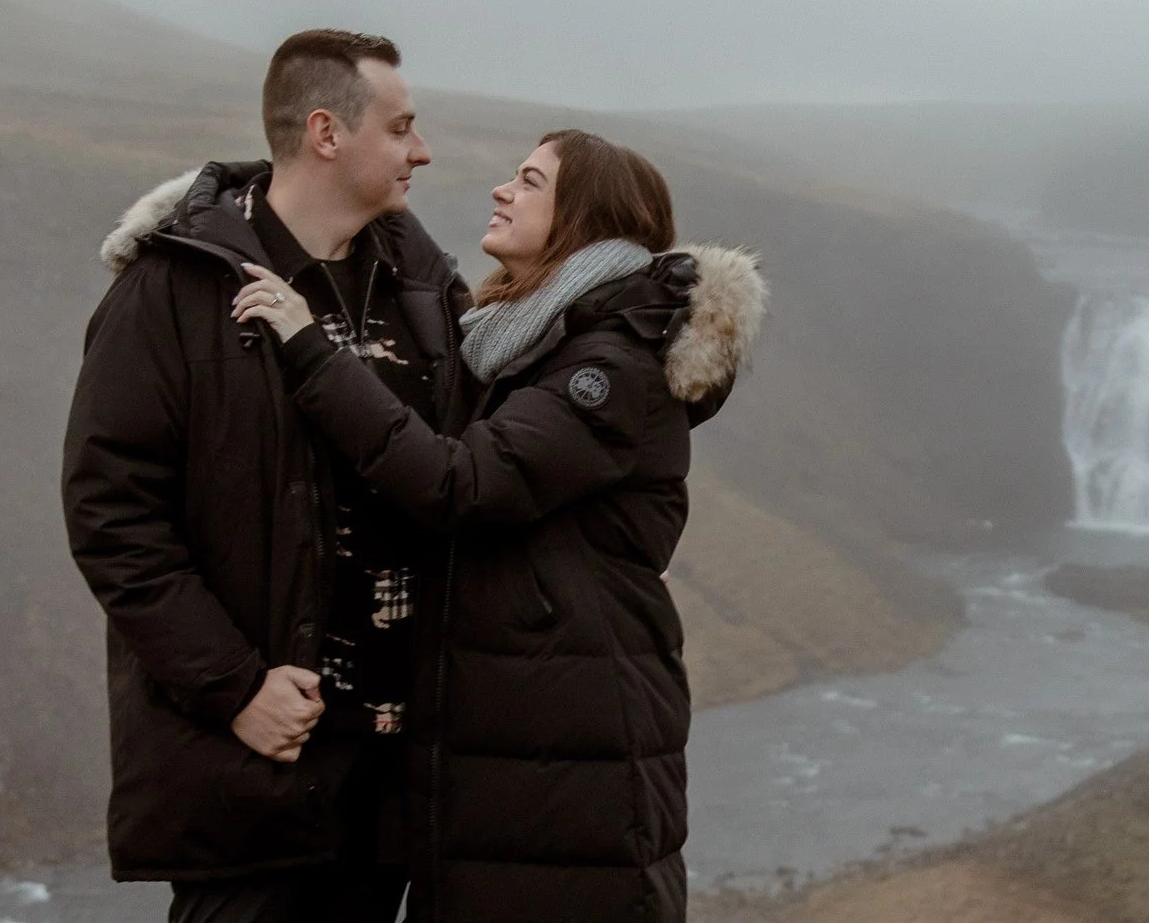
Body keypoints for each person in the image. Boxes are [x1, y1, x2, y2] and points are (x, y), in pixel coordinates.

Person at [232, 128, 765, 923]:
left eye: (529, 180)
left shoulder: (606, 368)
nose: (501, 191)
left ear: (582, 217)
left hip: (570, 748)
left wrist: (310, 348)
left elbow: (460, 482)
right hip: (522, 736)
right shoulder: (527, 343)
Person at [62, 30, 466, 923]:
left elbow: (473, 471)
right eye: (401, 128)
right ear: (327, 132)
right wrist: (235, 689)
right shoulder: (171, 293)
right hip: (254, 779)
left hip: (398, 792)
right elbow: (113, 517)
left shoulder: (426, 288)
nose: (422, 150)